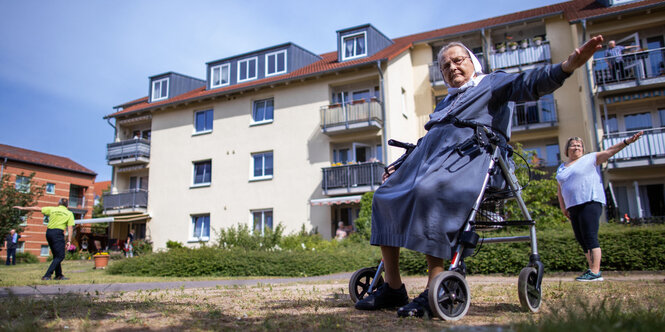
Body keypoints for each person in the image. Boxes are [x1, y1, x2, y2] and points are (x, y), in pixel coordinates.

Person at [354, 35, 605, 317]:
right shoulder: (443, 104)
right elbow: (427, 141)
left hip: (470, 161)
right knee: (384, 195)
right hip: (431, 163)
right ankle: (393, 287)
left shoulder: (491, 83)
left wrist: (566, 66)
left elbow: (528, 83)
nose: (451, 68)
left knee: (428, 191)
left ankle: (434, 286)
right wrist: (401, 165)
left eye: (457, 61)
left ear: (472, 62)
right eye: (445, 66)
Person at [556, 131, 643, 282]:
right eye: (572, 145)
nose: (576, 147)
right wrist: (563, 207)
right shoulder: (562, 167)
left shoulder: (590, 158)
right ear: (567, 150)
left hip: (590, 201)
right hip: (573, 205)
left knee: (590, 235)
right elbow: (560, 189)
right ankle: (591, 270)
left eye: (579, 145)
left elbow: (610, 151)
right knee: (581, 238)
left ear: (583, 149)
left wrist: (628, 142)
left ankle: (595, 272)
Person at [14, 198, 74, 280]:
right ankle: (47, 275)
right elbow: (70, 228)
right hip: (58, 233)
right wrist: (69, 241)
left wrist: (23, 208)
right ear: (67, 206)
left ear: (58, 203)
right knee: (60, 256)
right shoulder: (69, 213)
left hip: (49, 233)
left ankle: (59, 275)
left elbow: (37, 208)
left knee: (56, 255)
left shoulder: (52, 209)